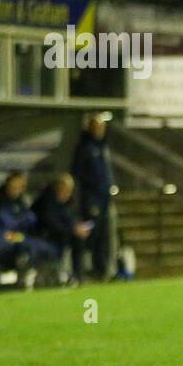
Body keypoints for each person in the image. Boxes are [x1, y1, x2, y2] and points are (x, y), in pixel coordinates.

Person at [71, 113, 115, 281]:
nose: (100, 131)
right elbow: (78, 173)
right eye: (97, 127)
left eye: (102, 127)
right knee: (91, 235)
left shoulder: (103, 147)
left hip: (105, 199)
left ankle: (103, 269)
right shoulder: (85, 148)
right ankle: (85, 270)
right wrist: (89, 196)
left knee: (105, 236)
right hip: (92, 200)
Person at [31, 174, 92, 283]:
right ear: (58, 188)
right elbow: (51, 224)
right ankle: (72, 276)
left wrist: (77, 227)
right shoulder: (47, 201)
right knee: (75, 237)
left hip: (61, 236)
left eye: (69, 191)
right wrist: (72, 230)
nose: (68, 193)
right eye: (65, 190)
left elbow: (69, 219)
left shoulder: (66, 202)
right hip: (45, 236)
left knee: (79, 239)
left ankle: (78, 276)